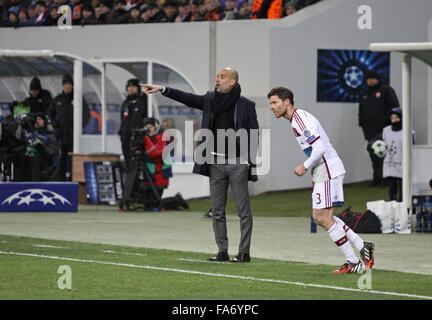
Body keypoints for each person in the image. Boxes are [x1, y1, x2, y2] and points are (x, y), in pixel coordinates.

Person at [142, 67, 259, 263]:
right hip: (215, 162)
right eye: (217, 77)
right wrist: (163, 89)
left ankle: (244, 252)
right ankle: (222, 251)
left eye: (222, 77)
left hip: (238, 163)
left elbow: (253, 134)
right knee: (217, 211)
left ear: (232, 82)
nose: (217, 80)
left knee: (243, 211)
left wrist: (249, 160)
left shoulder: (246, 105)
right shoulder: (210, 100)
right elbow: (187, 98)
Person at [267, 86, 375, 273]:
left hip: (328, 169)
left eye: (274, 103)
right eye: (270, 104)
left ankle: (353, 262)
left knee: (321, 217)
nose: (272, 107)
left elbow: (319, 149)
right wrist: (314, 174)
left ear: (287, 102)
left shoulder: (300, 120)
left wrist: (304, 166)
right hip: (323, 170)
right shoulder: (296, 119)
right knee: (323, 217)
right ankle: (362, 246)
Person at [358, 70, 399, 187]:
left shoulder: (386, 90)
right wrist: (363, 125)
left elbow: (394, 108)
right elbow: (361, 111)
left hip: (384, 130)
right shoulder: (365, 94)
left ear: (377, 78)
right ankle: (376, 178)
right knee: (373, 155)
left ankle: (386, 179)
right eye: (368, 78)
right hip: (370, 131)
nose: (370, 80)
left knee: (385, 154)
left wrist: (388, 124)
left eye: (372, 78)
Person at [50, 73, 90, 181]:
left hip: (74, 137)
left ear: (72, 85)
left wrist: (79, 125)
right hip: (61, 136)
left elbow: (87, 114)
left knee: (74, 162)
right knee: (61, 161)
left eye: (69, 84)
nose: (67, 86)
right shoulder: (58, 99)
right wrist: (56, 126)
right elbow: (50, 114)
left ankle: (74, 182)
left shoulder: (78, 98)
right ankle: (60, 183)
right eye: (65, 84)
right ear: (62, 86)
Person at [381, 107, 414, 202]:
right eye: (392, 118)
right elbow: (380, 141)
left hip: (403, 166)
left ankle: (403, 205)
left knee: (403, 188)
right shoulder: (386, 130)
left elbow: (413, 147)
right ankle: (393, 205)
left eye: (396, 118)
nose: (394, 120)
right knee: (392, 189)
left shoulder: (409, 132)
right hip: (390, 166)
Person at [118, 78, 148, 171]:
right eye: (129, 86)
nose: (131, 88)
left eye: (133, 86)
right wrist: (122, 133)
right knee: (127, 162)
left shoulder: (143, 102)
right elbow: (122, 120)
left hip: (138, 138)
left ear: (138, 88)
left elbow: (146, 119)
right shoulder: (126, 103)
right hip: (126, 138)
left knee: (137, 163)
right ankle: (129, 179)